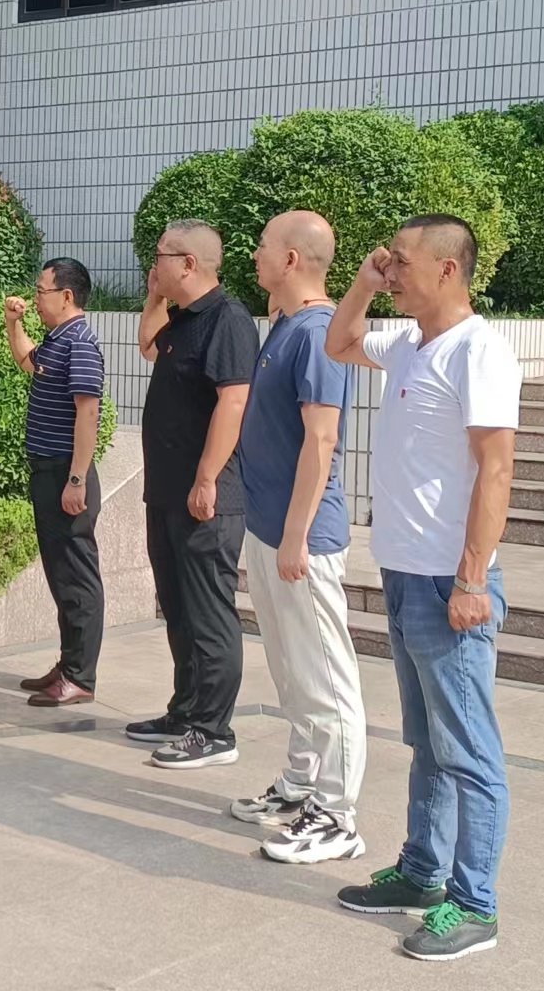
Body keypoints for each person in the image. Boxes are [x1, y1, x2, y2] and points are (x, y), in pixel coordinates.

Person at [326, 214, 519, 962]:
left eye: (401, 262)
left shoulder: (479, 351)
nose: (391, 272)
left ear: (447, 270)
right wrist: (362, 281)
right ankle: (421, 874)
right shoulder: (408, 343)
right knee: (428, 742)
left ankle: (475, 906)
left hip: (450, 580)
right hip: (406, 573)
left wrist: (471, 577)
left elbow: (496, 469)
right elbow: (339, 342)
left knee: (468, 749)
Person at [230, 211, 368, 865]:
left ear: (290, 260)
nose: (254, 254)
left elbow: (322, 438)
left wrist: (295, 536)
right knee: (292, 672)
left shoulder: (316, 334)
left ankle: (337, 817)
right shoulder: (287, 325)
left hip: (301, 539)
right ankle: (301, 787)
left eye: (263, 246)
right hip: (270, 530)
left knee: (325, 679)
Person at [128, 219, 258, 769]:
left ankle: (213, 730)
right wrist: (154, 297)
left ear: (188, 263)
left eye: (160, 256)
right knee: (178, 608)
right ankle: (184, 712)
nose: (152, 264)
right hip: (167, 492)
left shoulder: (228, 319)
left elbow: (234, 402)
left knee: (208, 613)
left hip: (207, 497)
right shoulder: (183, 317)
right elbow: (147, 346)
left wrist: (206, 477)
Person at [5, 259, 106, 707]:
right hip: (49, 471)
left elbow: (88, 411)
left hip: (67, 472)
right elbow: (28, 362)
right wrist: (13, 324)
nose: (35, 298)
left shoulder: (79, 342)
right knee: (61, 575)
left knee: (77, 578)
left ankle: (80, 676)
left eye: (41, 291)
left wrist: (77, 479)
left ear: (66, 296)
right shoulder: (57, 340)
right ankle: (67, 665)